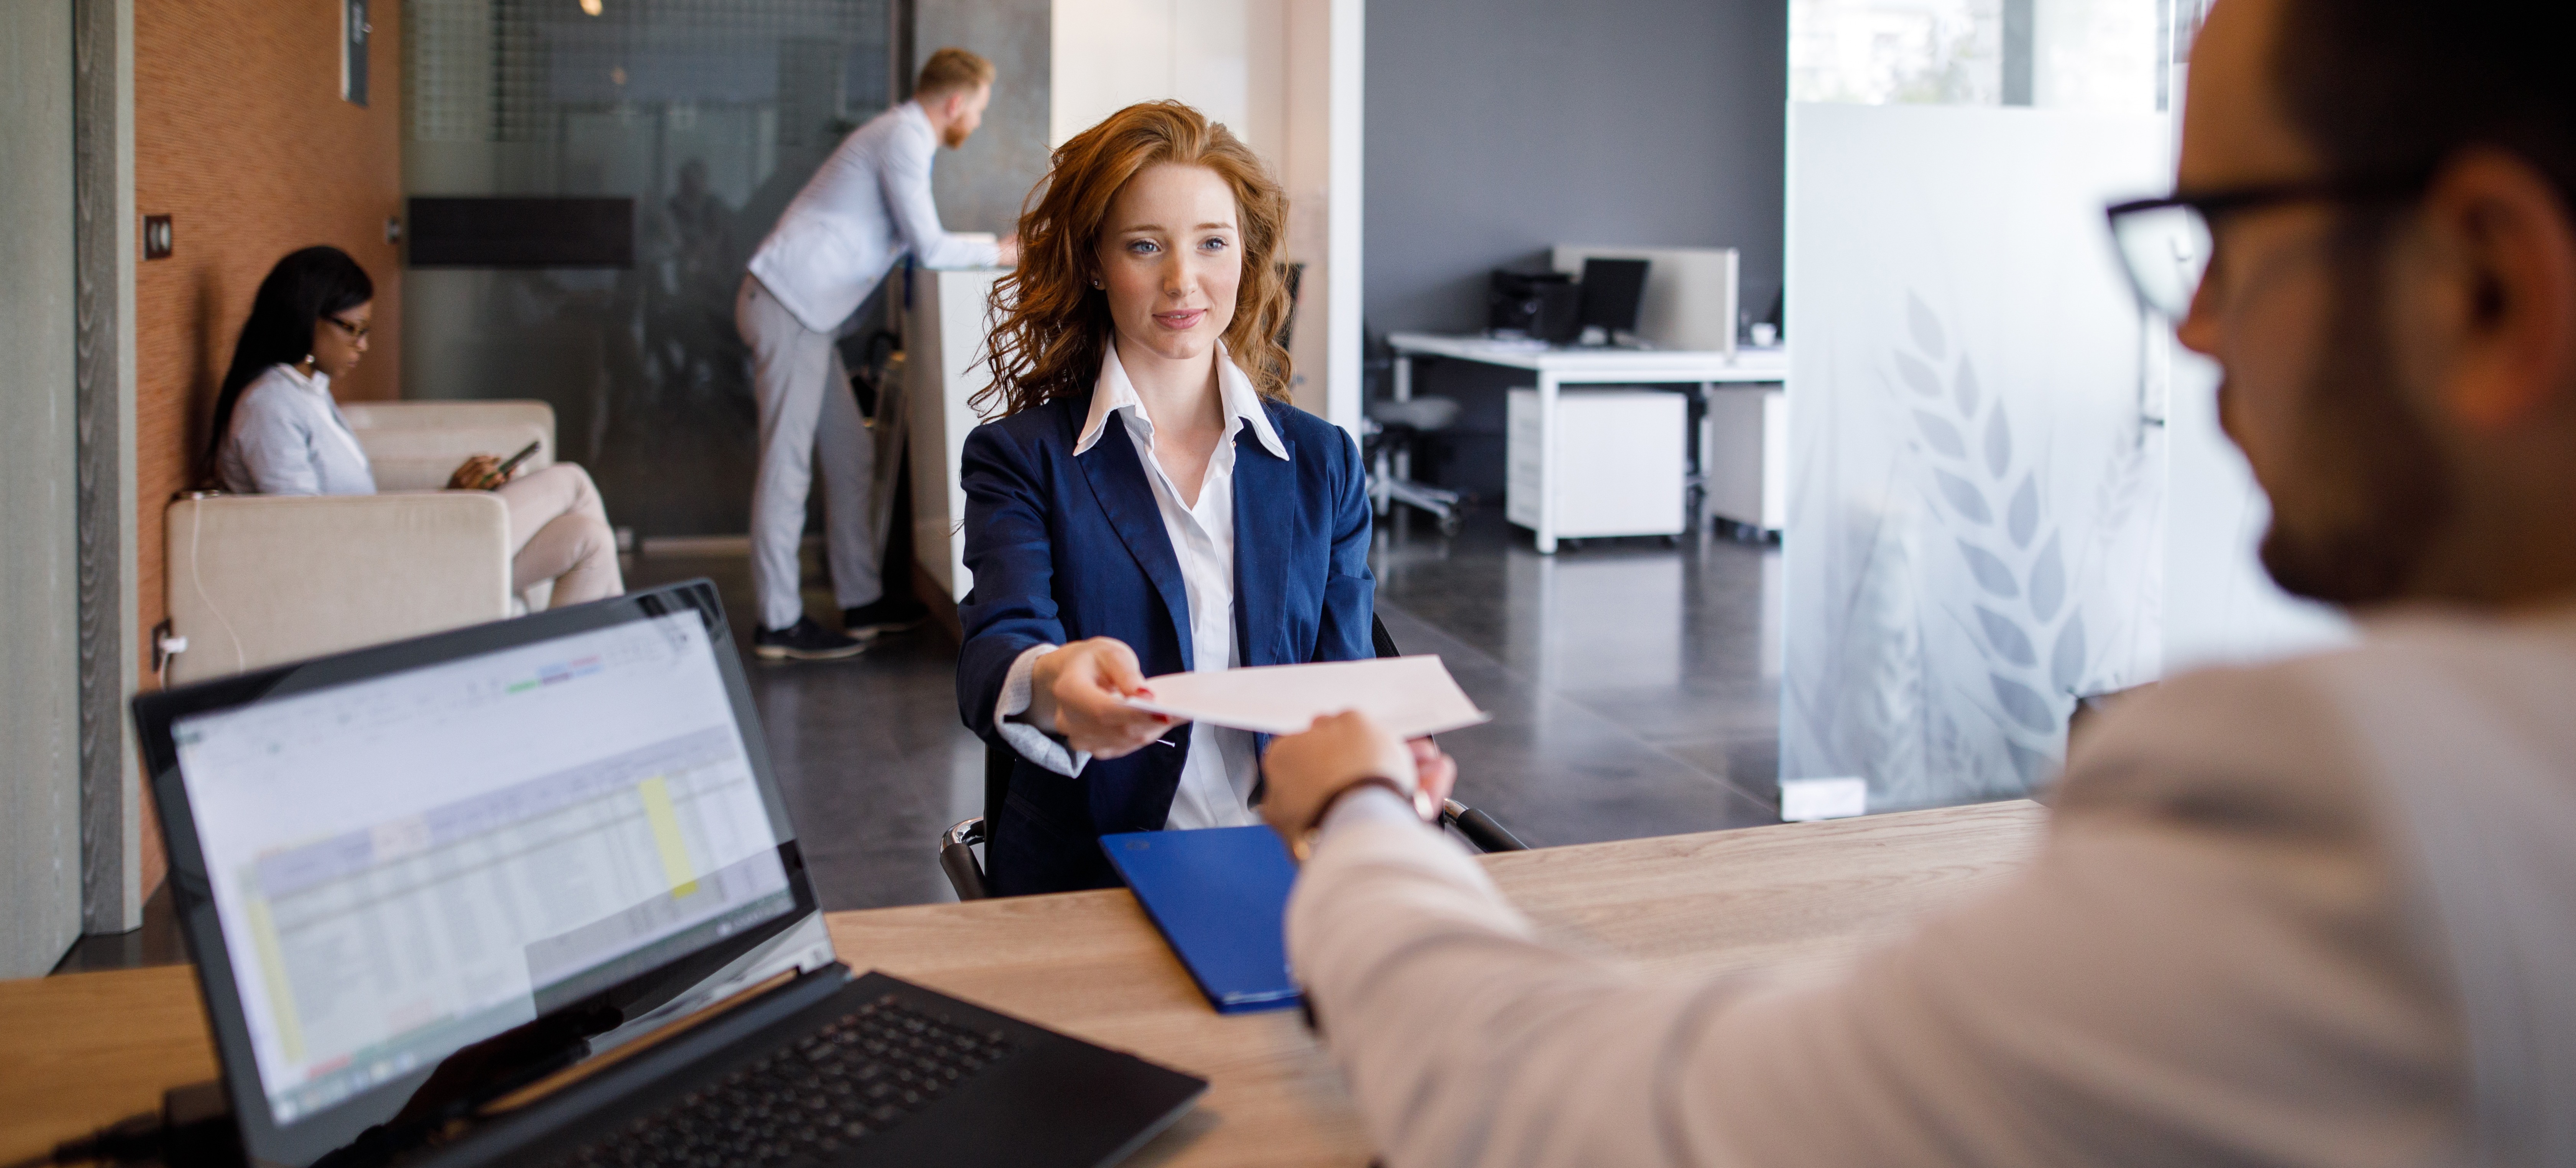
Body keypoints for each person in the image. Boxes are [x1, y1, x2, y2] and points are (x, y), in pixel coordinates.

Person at [1259, 0, 2576, 1163]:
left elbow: (1607, 1120)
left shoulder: (2356, 812)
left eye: (2223, 237)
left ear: (2489, 283)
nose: (2190, 325)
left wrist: (1365, 814)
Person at [955, 101, 1375, 895]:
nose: (1184, 280)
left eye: (1213, 243)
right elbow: (995, 647)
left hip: (1287, 866)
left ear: (1247, 256)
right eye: (1145, 246)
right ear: (1093, 262)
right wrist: (1052, 680)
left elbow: (1345, 678)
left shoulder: (1323, 463)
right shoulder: (1022, 460)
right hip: (1095, 877)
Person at [737, 47, 1021, 661]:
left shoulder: (900, 135)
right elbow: (929, 245)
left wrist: (987, 249)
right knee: (787, 468)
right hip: (787, 307)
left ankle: (862, 602)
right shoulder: (903, 138)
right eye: (976, 111)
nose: (975, 123)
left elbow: (920, 243)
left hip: (806, 318)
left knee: (851, 454)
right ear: (955, 103)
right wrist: (1000, 253)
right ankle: (778, 623)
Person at [211, 246, 626, 609]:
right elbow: (305, 532)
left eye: (367, 331)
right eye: (352, 330)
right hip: (375, 570)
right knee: (571, 481)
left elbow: (345, 507)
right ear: (306, 318)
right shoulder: (268, 407)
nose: (363, 345)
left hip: (390, 550)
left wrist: (449, 498)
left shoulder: (306, 392)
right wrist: (443, 507)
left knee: (588, 540)